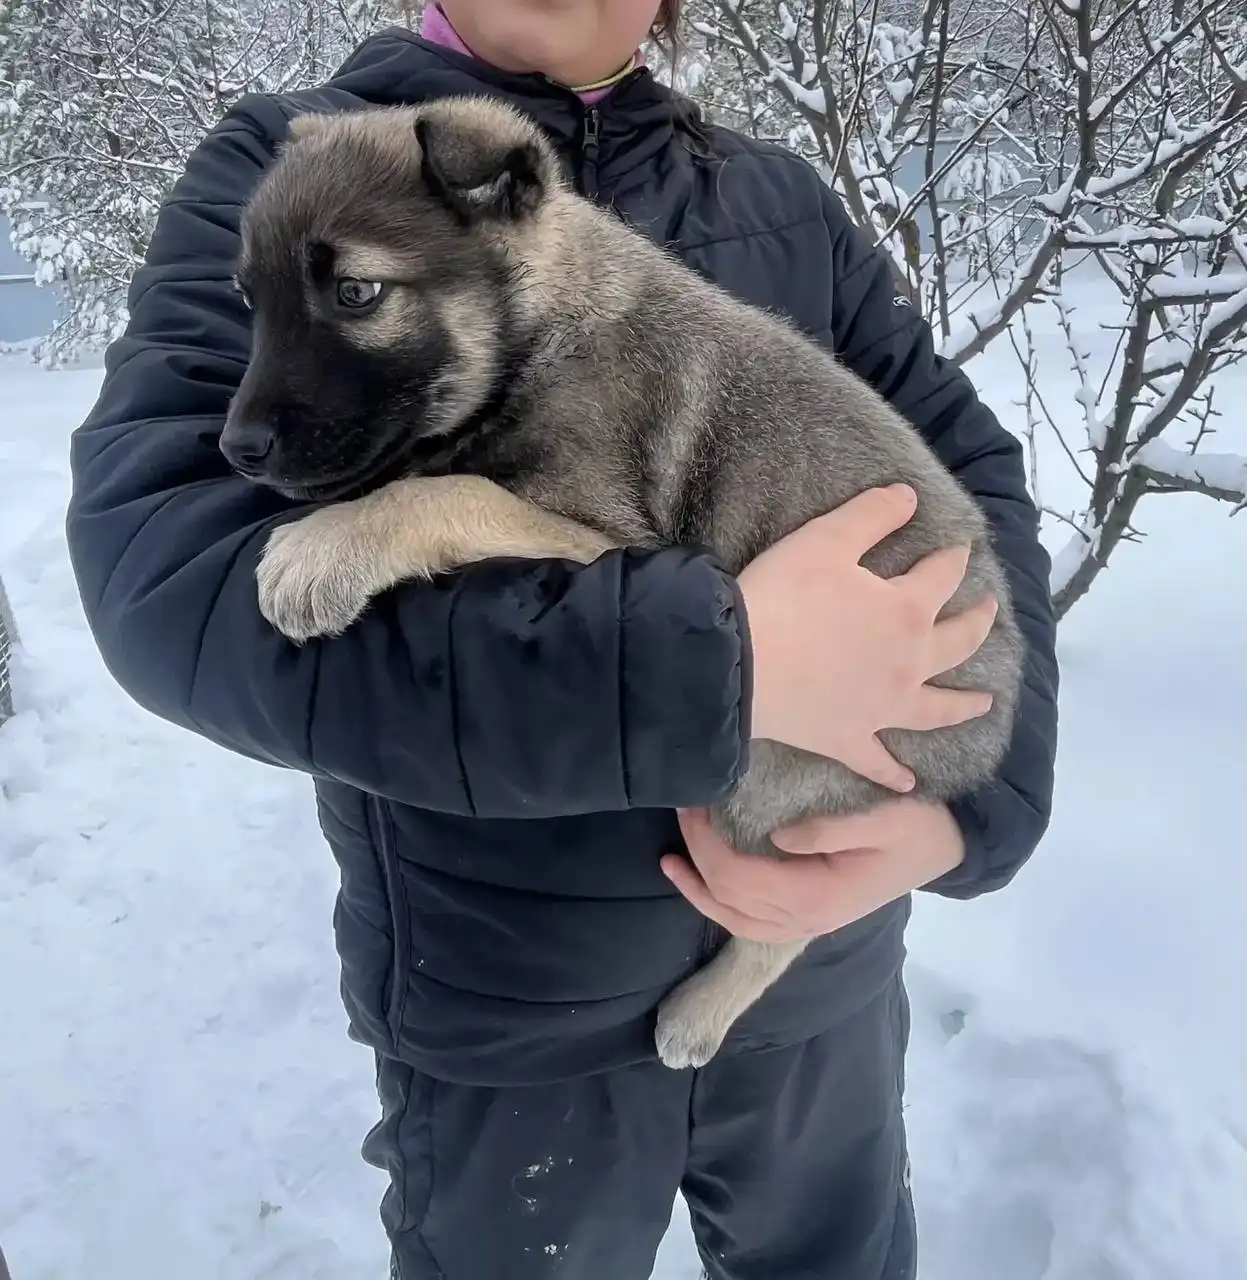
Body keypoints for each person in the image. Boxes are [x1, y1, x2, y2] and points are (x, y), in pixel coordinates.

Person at [63, 3, 1059, 1278]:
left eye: (356, 294)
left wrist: (970, 806)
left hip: (826, 976)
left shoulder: (777, 198)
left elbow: (976, 486)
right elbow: (172, 575)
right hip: (514, 1008)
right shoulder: (284, 159)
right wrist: (739, 657)